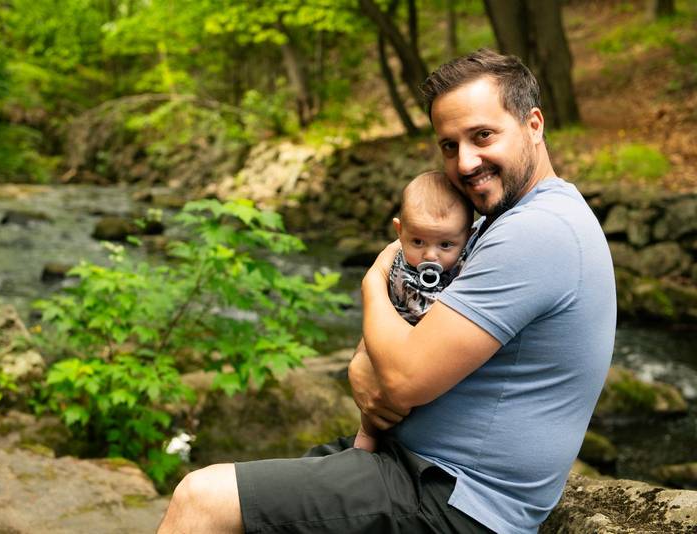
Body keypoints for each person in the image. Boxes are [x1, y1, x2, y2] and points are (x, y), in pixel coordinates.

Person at [157, 48, 616, 534]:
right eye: (449, 145)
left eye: (482, 135)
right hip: (414, 470)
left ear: (533, 125)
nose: (465, 162)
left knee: (202, 499)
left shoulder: (537, 231)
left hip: (456, 502)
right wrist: (362, 367)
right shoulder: (496, 222)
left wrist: (371, 280)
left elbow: (401, 378)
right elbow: (394, 335)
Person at [354, 170, 473, 452]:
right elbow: (390, 309)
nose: (430, 255)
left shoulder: (465, 266)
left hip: (429, 350)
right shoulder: (398, 266)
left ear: (467, 238)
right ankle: (365, 438)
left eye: (445, 245)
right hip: (394, 339)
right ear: (400, 231)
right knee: (376, 398)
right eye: (418, 242)